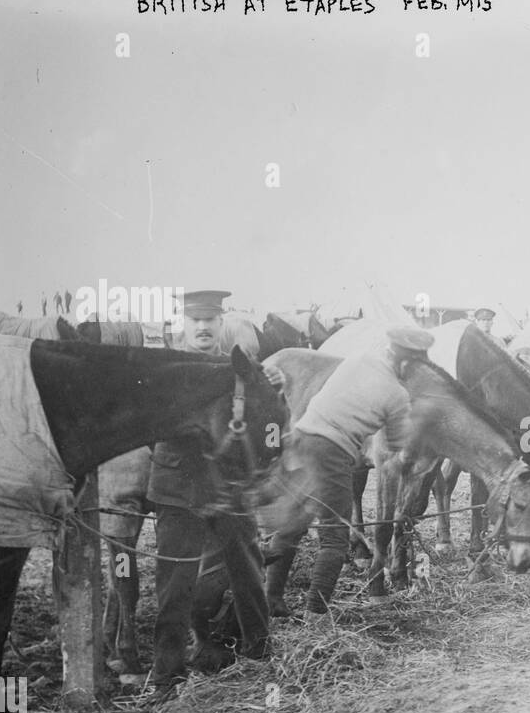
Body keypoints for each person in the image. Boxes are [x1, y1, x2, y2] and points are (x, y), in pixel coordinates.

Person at [146, 289, 284, 687]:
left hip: (231, 487)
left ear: (221, 324)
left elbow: (271, 427)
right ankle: (166, 675)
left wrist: (272, 387)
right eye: (195, 321)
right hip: (178, 488)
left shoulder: (241, 368)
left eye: (210, 320)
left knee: (248, 572)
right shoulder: (166, 370)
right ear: (183, 325)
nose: (203, 327)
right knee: (174, 584)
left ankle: (259, 656)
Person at [264, 326, 429, 615]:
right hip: (333, 452)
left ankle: (272, 599)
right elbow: (395, 448)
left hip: (301, 438)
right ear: (408, 363)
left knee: (292, 526)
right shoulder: (397, 395)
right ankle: (316, 616)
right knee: (335, 540)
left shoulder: (358, 360)